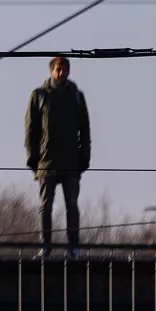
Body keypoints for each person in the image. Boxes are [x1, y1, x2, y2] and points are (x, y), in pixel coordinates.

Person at [24, 55, 91, 256]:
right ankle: (45, 245)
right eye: (57, 70)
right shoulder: (39, 95)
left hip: (71, 161)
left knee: (72, 206)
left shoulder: (77, 96)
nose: (60, 73)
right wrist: (32, 158)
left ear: (68, 71)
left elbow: (85, 129)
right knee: (45, 205)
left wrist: (84, 156)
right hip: (47, 160)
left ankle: (73, 247)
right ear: (51, 71)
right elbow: (30, 129)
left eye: (63, 70)